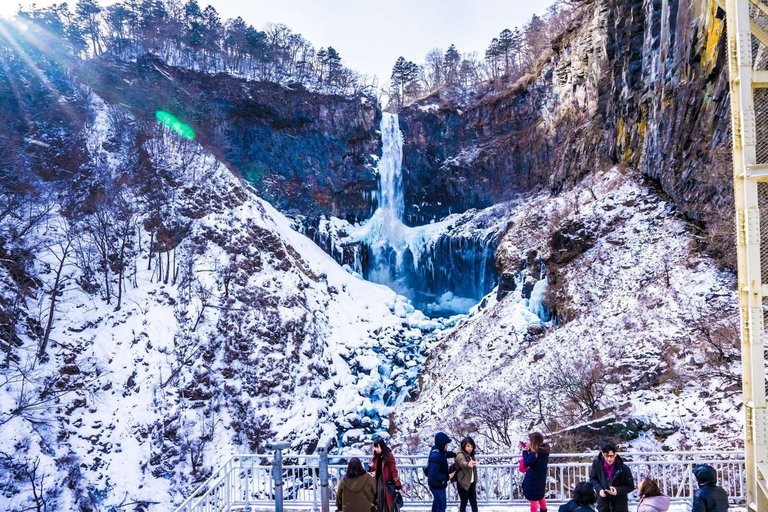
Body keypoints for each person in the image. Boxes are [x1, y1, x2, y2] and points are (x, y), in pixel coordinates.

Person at [588, 442, 635, 512]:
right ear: (602, 454)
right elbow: (593, 479)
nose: (609, 459)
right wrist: (599, 489)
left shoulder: (624, 468)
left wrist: (617, 490)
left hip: (619, 504)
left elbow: (630, 486)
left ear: (615, 454)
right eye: (607, 456)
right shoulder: (597, 464)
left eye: (611, 456)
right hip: (603, 502)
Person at [370, 438, 402, 512]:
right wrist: (369, 468)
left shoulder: (389, 456)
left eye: (378, 447)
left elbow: (393, 471)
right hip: (379, 483)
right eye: (375, 448)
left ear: (382, 446)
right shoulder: (377, 456)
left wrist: (397, 484)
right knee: (380, 502)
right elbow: (375, 467)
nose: (376, 449)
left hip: (387, 483)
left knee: (388, 503)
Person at [427, 432, 456, 512]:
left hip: (434, 484)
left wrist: (454, 454)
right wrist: (447, 477)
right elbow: (434, 473)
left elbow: (445, 453)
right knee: (442, 506)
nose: (447, 445)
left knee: (437, 503)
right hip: (437, 485)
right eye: (446, 444)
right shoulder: (437, 457)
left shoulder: (436, 449)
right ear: (442, 444)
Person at [522, 432, 551, 512]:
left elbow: (527, 462)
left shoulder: (535, 453)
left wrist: (524, 452)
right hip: (541, 478)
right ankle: (544, 510)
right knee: (540, 496)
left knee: (533, 499)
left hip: (533, 479)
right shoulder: (545, 450)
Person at [454, 437, 479, 512]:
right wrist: (468, 464)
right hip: (463, 484)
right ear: (463, 446)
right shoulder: (460, 454)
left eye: (471, 446)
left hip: (471, 483)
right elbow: (463, 462)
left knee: (474, 504)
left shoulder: (470, 455)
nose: (470, 448)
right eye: (467, 446)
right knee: (464, 504)